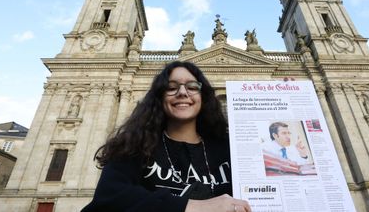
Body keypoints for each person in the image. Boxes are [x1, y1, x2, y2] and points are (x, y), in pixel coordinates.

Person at [81, 61, 251, 212]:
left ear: (203, 97)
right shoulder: (133, 146)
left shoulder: (231, 148)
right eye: (171, 87)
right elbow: (108, 199)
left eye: (192, 87)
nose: (182, 92)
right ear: (159, 98)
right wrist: (192, 207)